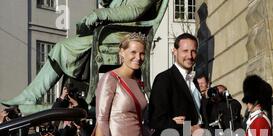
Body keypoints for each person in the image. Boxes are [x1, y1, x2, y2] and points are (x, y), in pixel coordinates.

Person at [1, 0, 157, 106]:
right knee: (63, 47)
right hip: (111, 32)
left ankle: (32, 96)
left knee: (62, 48)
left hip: (121, 35)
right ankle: (33, 96)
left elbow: (134, 10)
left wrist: (101, 14)